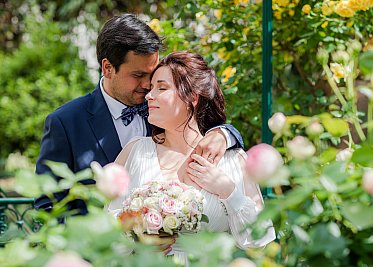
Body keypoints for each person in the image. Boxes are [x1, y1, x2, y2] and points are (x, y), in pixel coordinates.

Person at [35, 14, 244, 213]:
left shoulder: (163, 108)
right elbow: (49, 206)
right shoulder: (65, 122)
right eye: (138, 75)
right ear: (107, 68)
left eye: (152, 75)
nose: (147, 86)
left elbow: (201, 121)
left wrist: (224, 134)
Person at [109, 51, 275, 263]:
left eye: (162, 88)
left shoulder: (230, 158)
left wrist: (228, 191)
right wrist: (136, 236)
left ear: (192, 97)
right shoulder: (135, 152)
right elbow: (108, 229)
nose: (149, 95)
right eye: (151, 88)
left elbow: (261, 240)